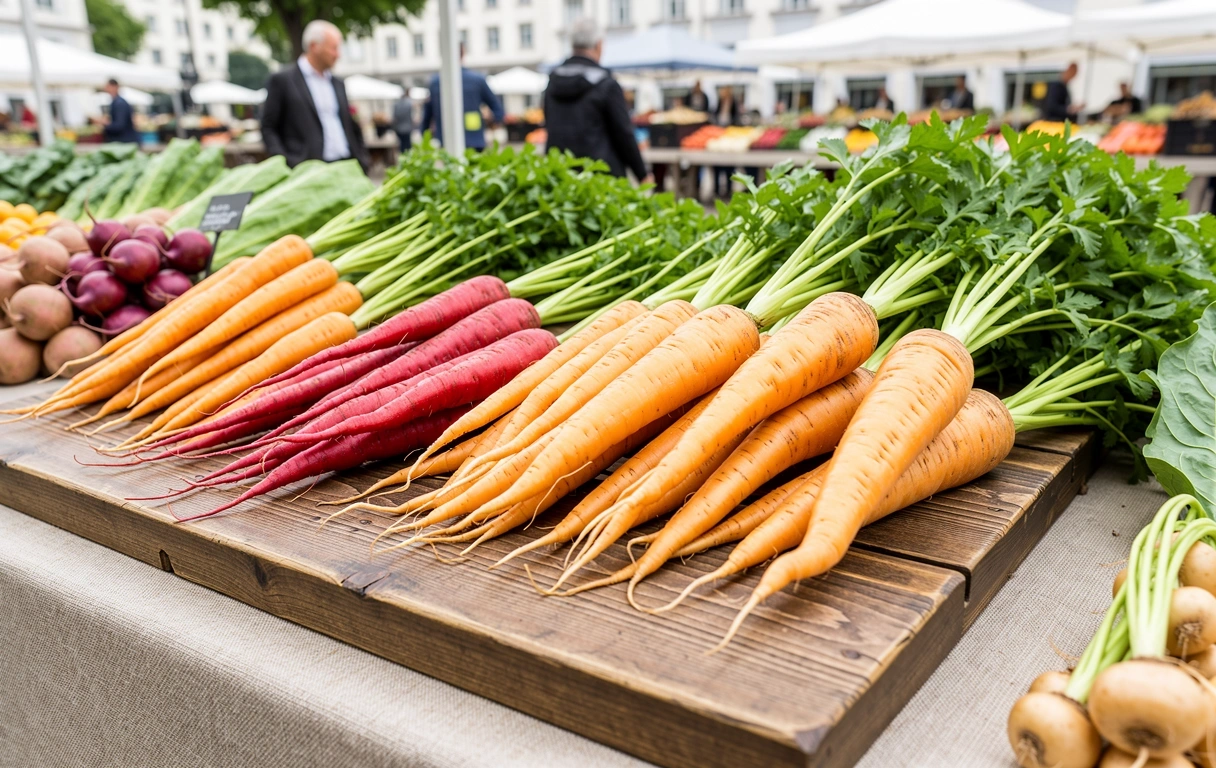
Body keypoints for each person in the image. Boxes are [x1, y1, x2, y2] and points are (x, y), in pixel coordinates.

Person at [261, 20, 369, 171]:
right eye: (333, 48)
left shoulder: (338, 83)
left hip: (346, 165)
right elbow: (268, 127)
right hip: (307, 169)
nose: (338, 54)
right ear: (314, 46)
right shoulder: (283, 81)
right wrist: (286, 164)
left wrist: (362, 158)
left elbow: (350, 125)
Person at [421, 45, 503, 151]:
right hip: (474, 138)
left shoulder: (436, 82)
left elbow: (427, 116)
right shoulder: (477, 80)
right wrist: (490, 122)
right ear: (463, 53)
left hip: (446, 138)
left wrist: (425, 138)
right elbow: (498, 110)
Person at [713, 86, 740, 200]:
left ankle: (729, 190)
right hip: (719, 133)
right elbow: (715, 114)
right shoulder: (719, 103)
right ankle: (717, 190)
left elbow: (737, 118)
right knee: (717, 167)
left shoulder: (734, 103)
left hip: (731, 134)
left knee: (730, 167)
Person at [101, 79, 140, 144]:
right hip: (125, 141)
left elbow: (119, 125)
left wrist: (106, 124)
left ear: (115, 87)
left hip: (124, 141)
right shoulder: (117, 102)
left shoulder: (119, 103)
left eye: (108, 86)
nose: (106, 89)